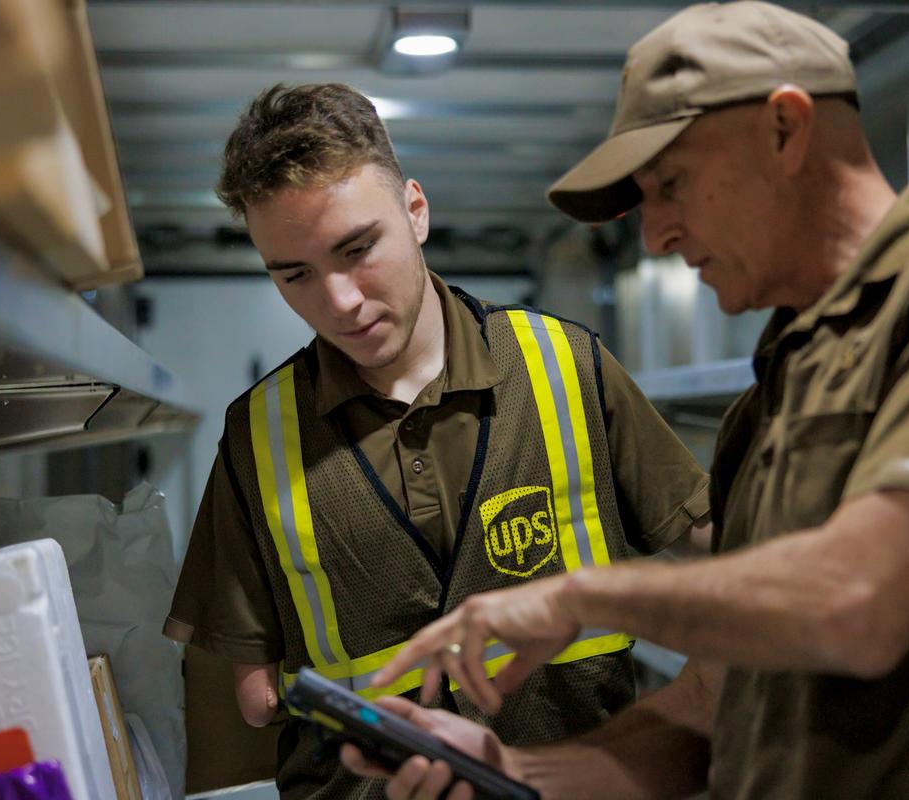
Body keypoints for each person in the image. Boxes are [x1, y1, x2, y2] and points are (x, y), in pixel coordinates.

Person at [344, 2, 909, 798]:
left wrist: (578, 594)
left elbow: (860, 600)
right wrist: (515, 772)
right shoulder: (773, 395)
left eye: (671, 184)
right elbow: (715, 695)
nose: (656, 235)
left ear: (785, 128)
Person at [161, 82, 712, 798]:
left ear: (415, 211)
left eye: (358, 249)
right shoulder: (256, 435)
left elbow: (720, 551)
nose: (340, 302)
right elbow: (253, 699)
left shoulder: (565, 367)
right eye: (294, 275)